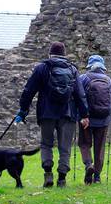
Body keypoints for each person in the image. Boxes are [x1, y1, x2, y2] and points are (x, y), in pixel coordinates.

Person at [17, 41, 89, 188]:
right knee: (65, 147)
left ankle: (48, 173)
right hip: (67, 114)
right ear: (64, 55)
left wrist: (23, 110)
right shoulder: (73, 70)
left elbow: (28, 91)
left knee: (46, 144)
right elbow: (80, 94)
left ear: (50, 54)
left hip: (46, 113)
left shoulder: (42, 68)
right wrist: (84, 115)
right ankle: (62, 179)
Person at [78, 54, 111, 184]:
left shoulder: (83, 78)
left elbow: (77, 97)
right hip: (103, 120)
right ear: (103, 67)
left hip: (86, 120)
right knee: (99, 147)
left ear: (90, 66)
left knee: (84, 144)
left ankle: (88, 164)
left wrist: (80, 115)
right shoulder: (108, 81)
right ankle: (97, 177)